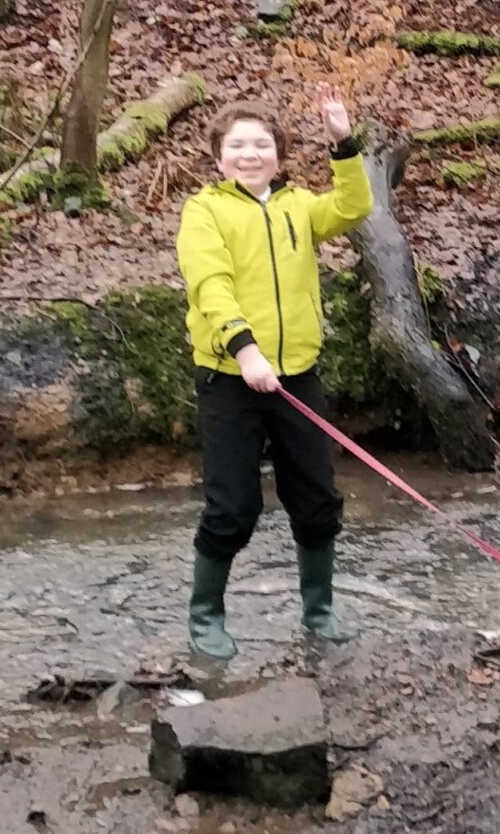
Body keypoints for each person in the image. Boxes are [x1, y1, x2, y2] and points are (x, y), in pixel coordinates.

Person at [176, 82, 374, 659]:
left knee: (316, 501)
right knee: (233, 508)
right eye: (238, 146)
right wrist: (245, 351)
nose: (250, 154)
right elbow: (209, 285)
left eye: (261, 144)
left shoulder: (297, 207)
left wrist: (343, 144)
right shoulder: (204, 211)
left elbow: (353, 206)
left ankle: (319, 609)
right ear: (220, 158)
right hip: (229, 379)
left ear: (279, 155)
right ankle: (205, 616)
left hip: (299, 376)